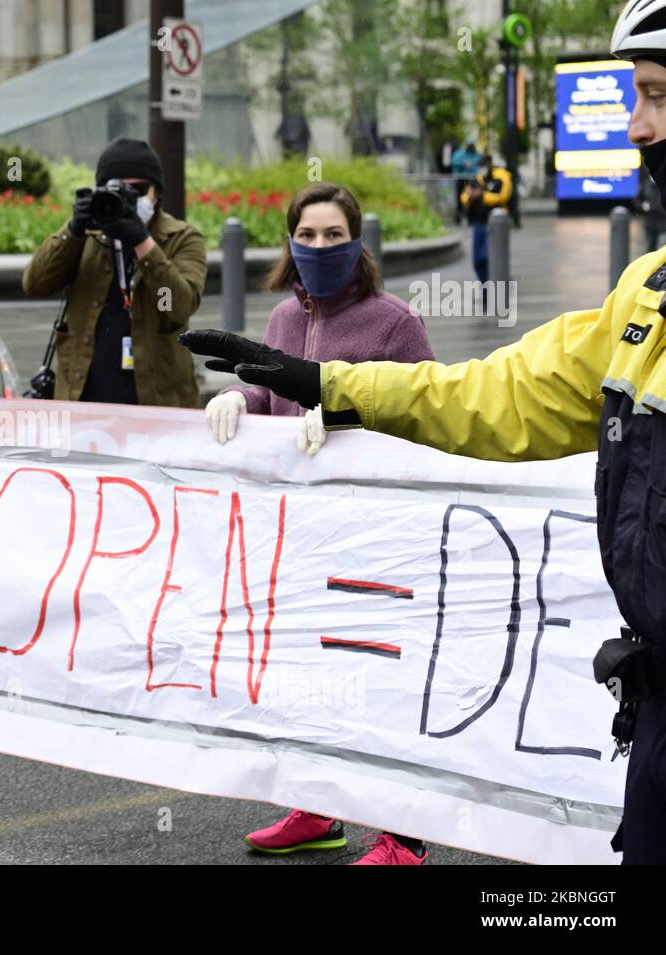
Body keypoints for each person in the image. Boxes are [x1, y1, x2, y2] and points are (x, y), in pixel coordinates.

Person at [179, 0, 666, 865]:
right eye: (636, 96)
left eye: (657, 97)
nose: (636, 125)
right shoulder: (648, 290)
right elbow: (500, 393)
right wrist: (325, 384)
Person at [204, 182, 435, 865]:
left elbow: (429, 409)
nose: (321, 246)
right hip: (299, 527)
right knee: (307, 675)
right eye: (309, 234)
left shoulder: (394, 322)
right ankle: (319, 807)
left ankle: (402, 835)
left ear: (357, 243)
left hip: (374, 532)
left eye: (335, 235)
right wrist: (238, 397)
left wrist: (347, 413)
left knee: (376, 682)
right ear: (290, 242)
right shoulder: (280, 318)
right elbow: (269, 389)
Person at [22, 137, 207, 407]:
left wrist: (144, 244)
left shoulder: (181, 238)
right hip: (84, 399)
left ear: (157, 193)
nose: (128, 199)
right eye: (116, 190)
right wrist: (72, 230)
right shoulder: (86, 235)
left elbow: (177, 305)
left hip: (157, 404)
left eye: (138, 190)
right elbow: (34, 283)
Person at [461, 152, 513, 285]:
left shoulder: (501, 177)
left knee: (489, 256)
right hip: (478, 222)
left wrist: (482, 195)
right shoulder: (477, 179)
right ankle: (486, 287)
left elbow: (502, 197)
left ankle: (495, 285)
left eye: (484, 165)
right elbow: (464, 197)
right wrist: (471, 196)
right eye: (480, 166)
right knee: (478, 260)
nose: (482, 168)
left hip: (495, 224)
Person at [450, 141, 479, 224]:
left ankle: (470, 218)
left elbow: (478, 164)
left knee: (471, 198)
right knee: (459, 199)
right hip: (461, 179)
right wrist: (463, 163)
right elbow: (454, 162)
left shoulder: (476, 155)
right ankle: (458, 218)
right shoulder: (460, 154)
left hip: (472, 179)